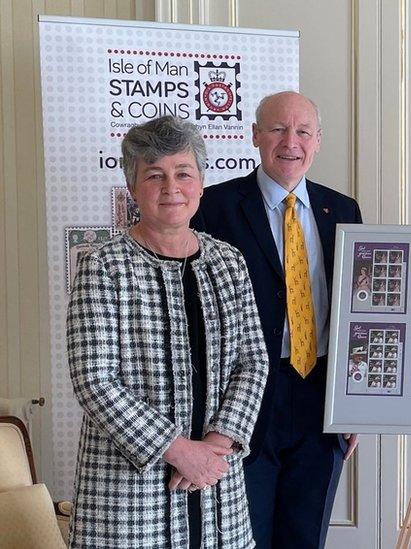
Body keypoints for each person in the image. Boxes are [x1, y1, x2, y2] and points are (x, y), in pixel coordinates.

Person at [67, 116, 268, 548]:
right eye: (154, 176)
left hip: (217, 483)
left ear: (200, 184)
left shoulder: (229, 262)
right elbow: (94, 381)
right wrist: (179, 450)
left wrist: (217, 445)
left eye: (183, 173)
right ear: (134, 188)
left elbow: (253, 361)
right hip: (127, 493)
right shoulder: (103, 266)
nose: (170, 187)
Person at [191, 91, 362, 549]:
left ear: (318, 140)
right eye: (277, 129)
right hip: (244, 397)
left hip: (319, 393)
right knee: (245, 534)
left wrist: (355, 401)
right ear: (254, 136)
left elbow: (357, 314)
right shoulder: (214, 207)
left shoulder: (343, 211)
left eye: (303, 131)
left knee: (307, 534)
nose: (291, 142)